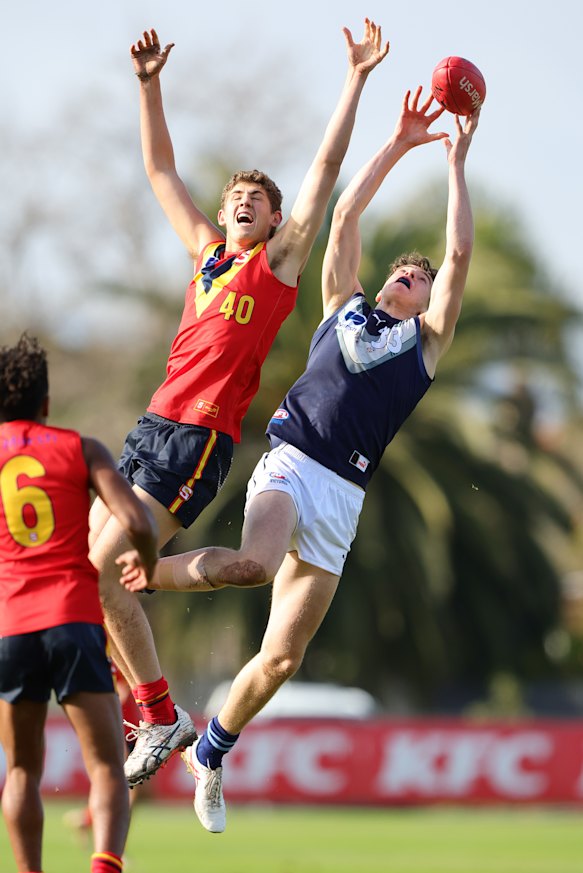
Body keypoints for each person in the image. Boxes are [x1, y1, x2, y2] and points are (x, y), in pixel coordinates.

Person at [120, 87, 481, 832]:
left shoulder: (425, 347)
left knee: (281, 657)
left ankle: (212, 752)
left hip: (342, 495)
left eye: (416, 281)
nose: (404, 279)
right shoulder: (341, 302)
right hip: (290, 460)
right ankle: (140, 574)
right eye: (400, 273)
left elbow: (459, 253)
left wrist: (457, 161)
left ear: (426, 299)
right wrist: (398, 142)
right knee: (253, 564)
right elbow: (341, 215)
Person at [88, 20, 390, 789]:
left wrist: (355, 77)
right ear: (223, 216)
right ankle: (149, 705)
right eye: (236, 198)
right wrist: (150, 86)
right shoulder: (204, 257)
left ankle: (158, 717)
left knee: (102, 570)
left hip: (196, 442)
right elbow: (159, 169)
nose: (244, 203)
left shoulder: (278, 266)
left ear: (271, 218)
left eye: (258, 198)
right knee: (82, 572)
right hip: (149, 428)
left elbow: (323, 168)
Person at [0, 334, 158, 873]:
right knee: (108, 766)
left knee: (22, 770)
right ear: (46, 403)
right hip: (72, 620)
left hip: (13, 627)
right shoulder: (80, 448)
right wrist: (146, 562)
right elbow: (137, 520)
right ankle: (104, 866)